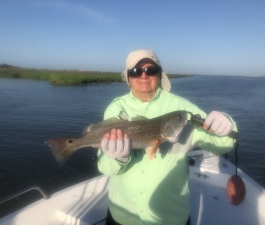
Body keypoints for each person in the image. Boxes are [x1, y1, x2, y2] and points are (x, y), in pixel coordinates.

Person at [97, 49, 237, 225]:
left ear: (160, 74)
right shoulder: (116, 109)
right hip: (123, 214)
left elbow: (222, 144)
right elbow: (106, 168)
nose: (143, 75)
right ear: (127, 77)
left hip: (169, 217)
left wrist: (226, 124)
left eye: (151, 70)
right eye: (136, 71)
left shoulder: (182, 110)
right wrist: (118, 158)